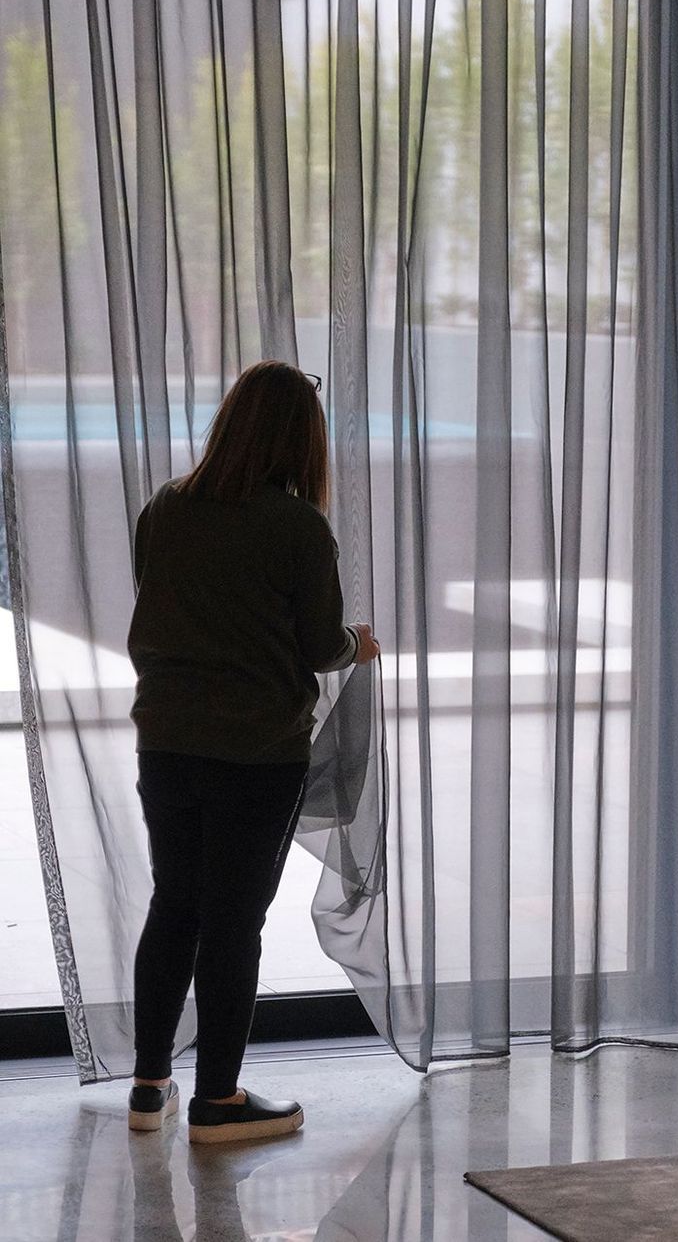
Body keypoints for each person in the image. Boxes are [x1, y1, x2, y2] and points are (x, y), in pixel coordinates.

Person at [125, 361, 379, 1143]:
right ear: (302, 441)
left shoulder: (166, 507)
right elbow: (314, 644)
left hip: (166, 739)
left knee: (175, 905)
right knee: (234, 923)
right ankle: (219, 1102)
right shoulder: (298, 527)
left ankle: (148, 1087)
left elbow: (164, 605)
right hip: (256, 751)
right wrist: (356, 646)